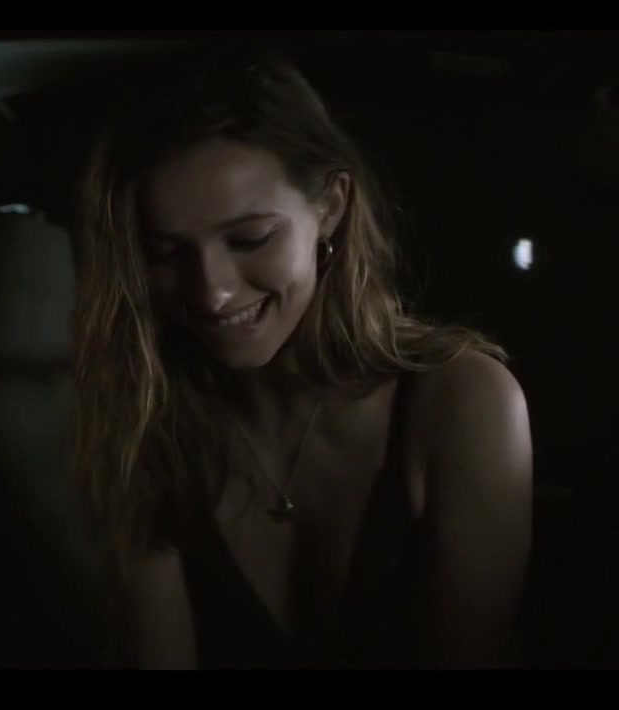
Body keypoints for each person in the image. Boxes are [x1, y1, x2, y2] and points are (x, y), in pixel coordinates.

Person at [71, 44, 533, 669]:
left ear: (331, 208)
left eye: (251, 238)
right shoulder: (147, 418)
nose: (212, 292)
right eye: (164, 253)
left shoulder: (461, 403)